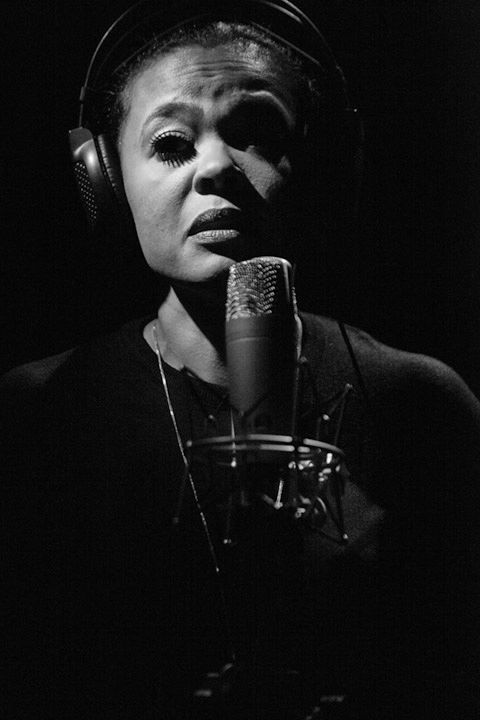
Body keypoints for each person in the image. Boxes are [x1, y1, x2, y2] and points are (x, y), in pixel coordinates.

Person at [2, 3, 480, 719]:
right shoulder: (37, 412)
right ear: (104, 180)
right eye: (171, 143)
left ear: (322, 165)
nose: (218, 167)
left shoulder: (422, 403)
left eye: (256, 134)